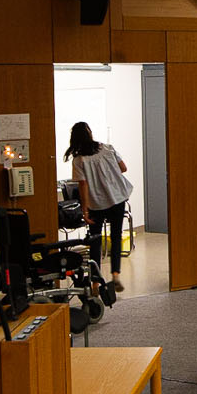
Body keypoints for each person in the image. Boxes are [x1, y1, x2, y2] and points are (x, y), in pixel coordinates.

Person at [67, 121, 132, 285]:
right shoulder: (108, 148)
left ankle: (95, 280)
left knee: (95, 240)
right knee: (116, 237)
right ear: (90, 134)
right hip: (117, 198)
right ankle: (116, 274)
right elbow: (123, 168)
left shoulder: (78, 160)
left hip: (96, 203)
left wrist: (85, 210)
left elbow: (83, 185)